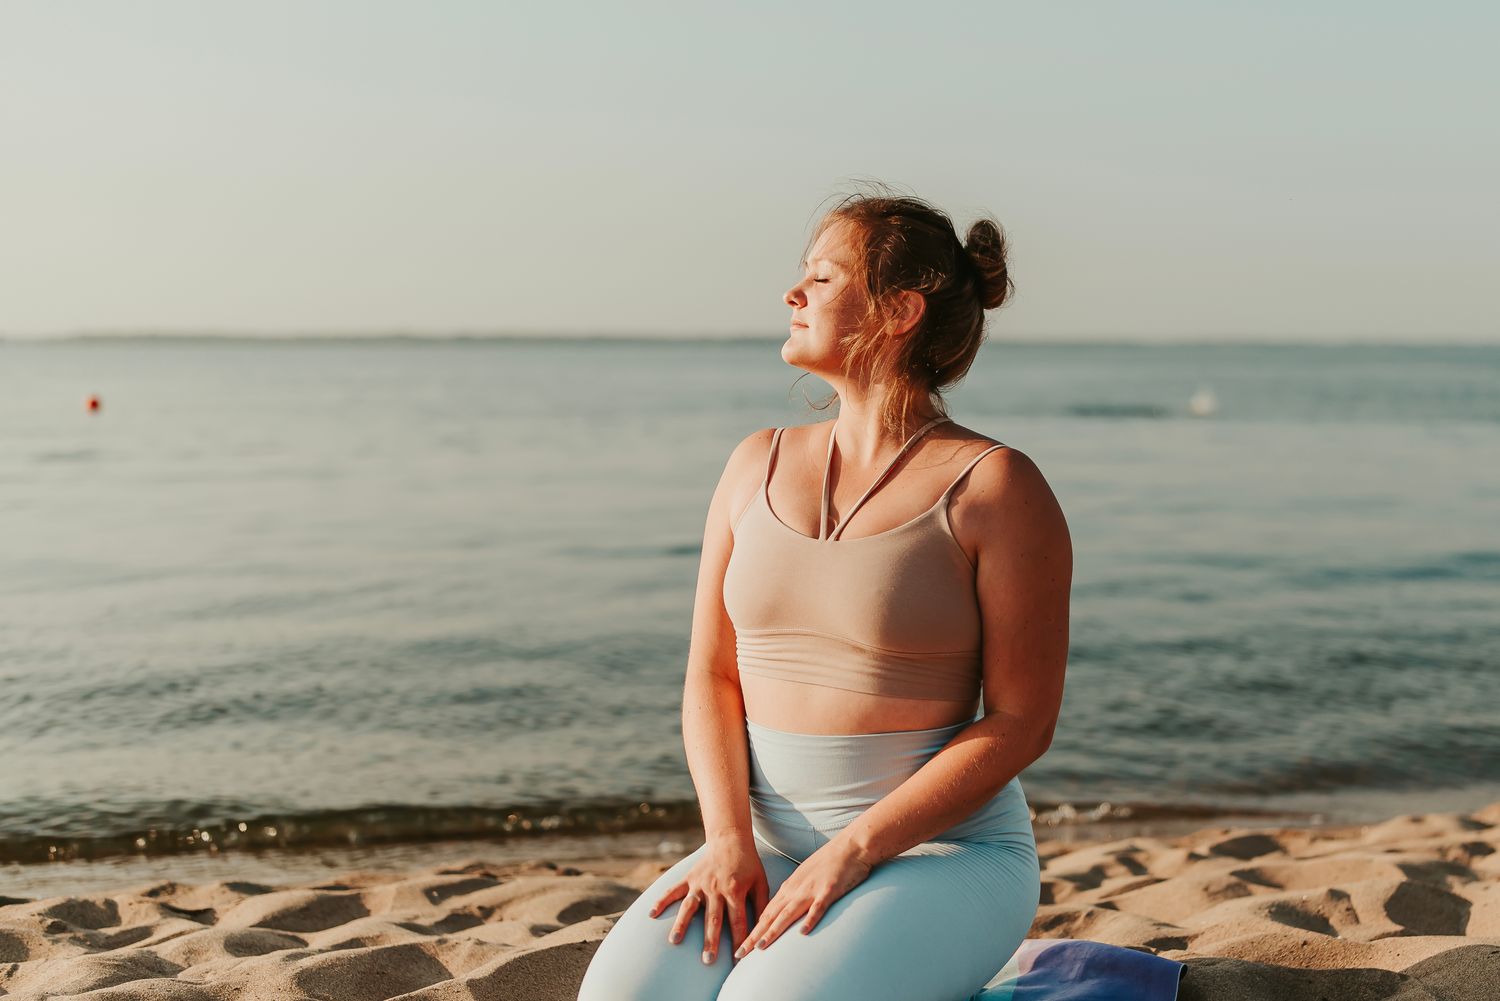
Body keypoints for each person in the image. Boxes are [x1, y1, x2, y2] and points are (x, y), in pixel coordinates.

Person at [577, 186, 1072, 1001]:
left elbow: (1022, 721)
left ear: (898, 310)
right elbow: (713, 674)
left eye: (822, 277)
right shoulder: (752, 464)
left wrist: (856, 848)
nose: (792, 294)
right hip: (761, 844)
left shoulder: (995, 487)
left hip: (940, 855)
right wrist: (727, 837)